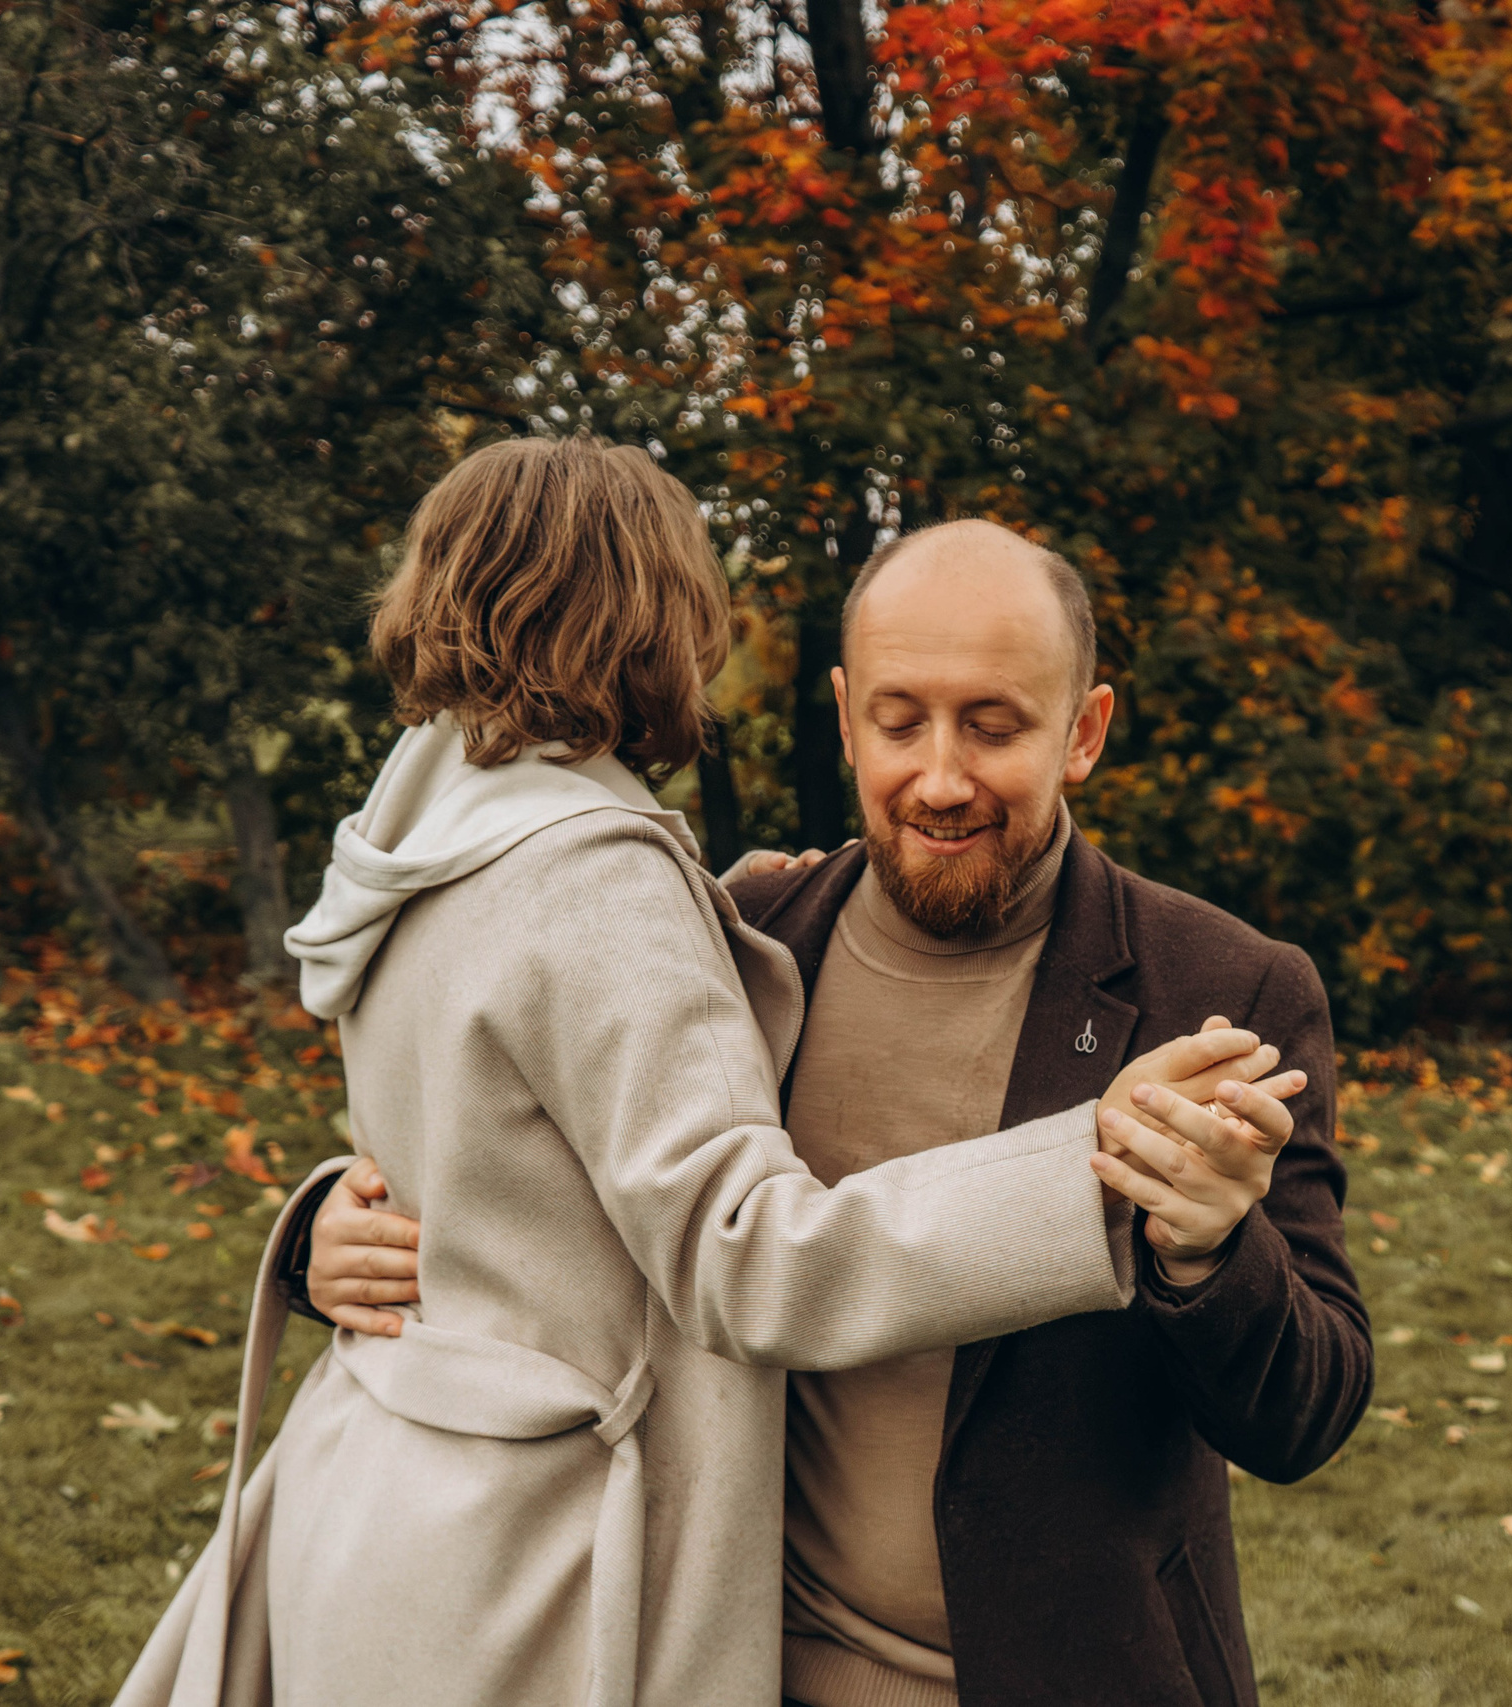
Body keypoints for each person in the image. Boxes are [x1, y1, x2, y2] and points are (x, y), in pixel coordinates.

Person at [112, 443, 1301, 1707]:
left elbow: (493, 1111)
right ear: (657, 623)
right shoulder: (599, 882)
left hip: (374, 1503)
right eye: (898, 720)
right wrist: (1094, 1165)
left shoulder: (426, 833)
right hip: (529, 1565)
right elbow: (750, 1256)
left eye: (991, 721)